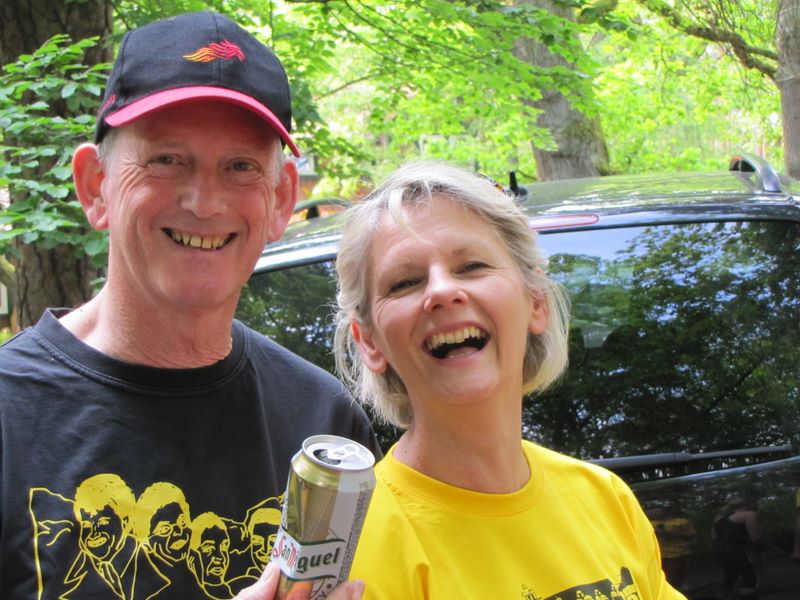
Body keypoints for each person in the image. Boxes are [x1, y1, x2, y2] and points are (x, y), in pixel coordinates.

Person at [0, 11, 376, 599]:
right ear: (95, 185)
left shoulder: (324, 422)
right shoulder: (9, 415)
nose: (204, 202)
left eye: (240, 167)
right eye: (166, 160)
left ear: (281, 199)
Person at [333, 162, 686, 599]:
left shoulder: (606, 499)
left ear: (535, 301)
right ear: (369, 342)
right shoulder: (358, 554)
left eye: (472, 266)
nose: (441, 291)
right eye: (405, 282)